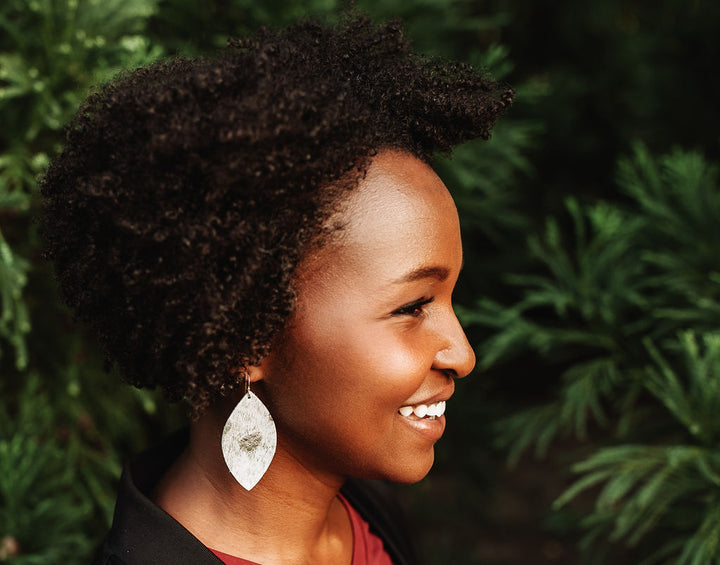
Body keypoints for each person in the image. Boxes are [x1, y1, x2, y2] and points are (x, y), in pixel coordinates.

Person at [41, 15, 512, 565]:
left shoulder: (363, 504)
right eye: (412, 306)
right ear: (246, 336)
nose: (464, 355)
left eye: (449, 298)